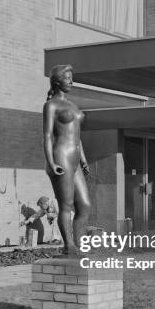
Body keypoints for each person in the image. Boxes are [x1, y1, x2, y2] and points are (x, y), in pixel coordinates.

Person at [43, 64, 91, 255]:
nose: (71, 81)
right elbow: (47, 136)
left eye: (72, 77)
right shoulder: (51, 105)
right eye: (67, 77)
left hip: (76, 157)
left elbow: (77, 135)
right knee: (66, 204)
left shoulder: (73, 105)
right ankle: (69, 246)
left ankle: (79, 245)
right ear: (56, 81)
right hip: (60, 155)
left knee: (85, 205)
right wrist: (51, 162)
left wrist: (84, 159)